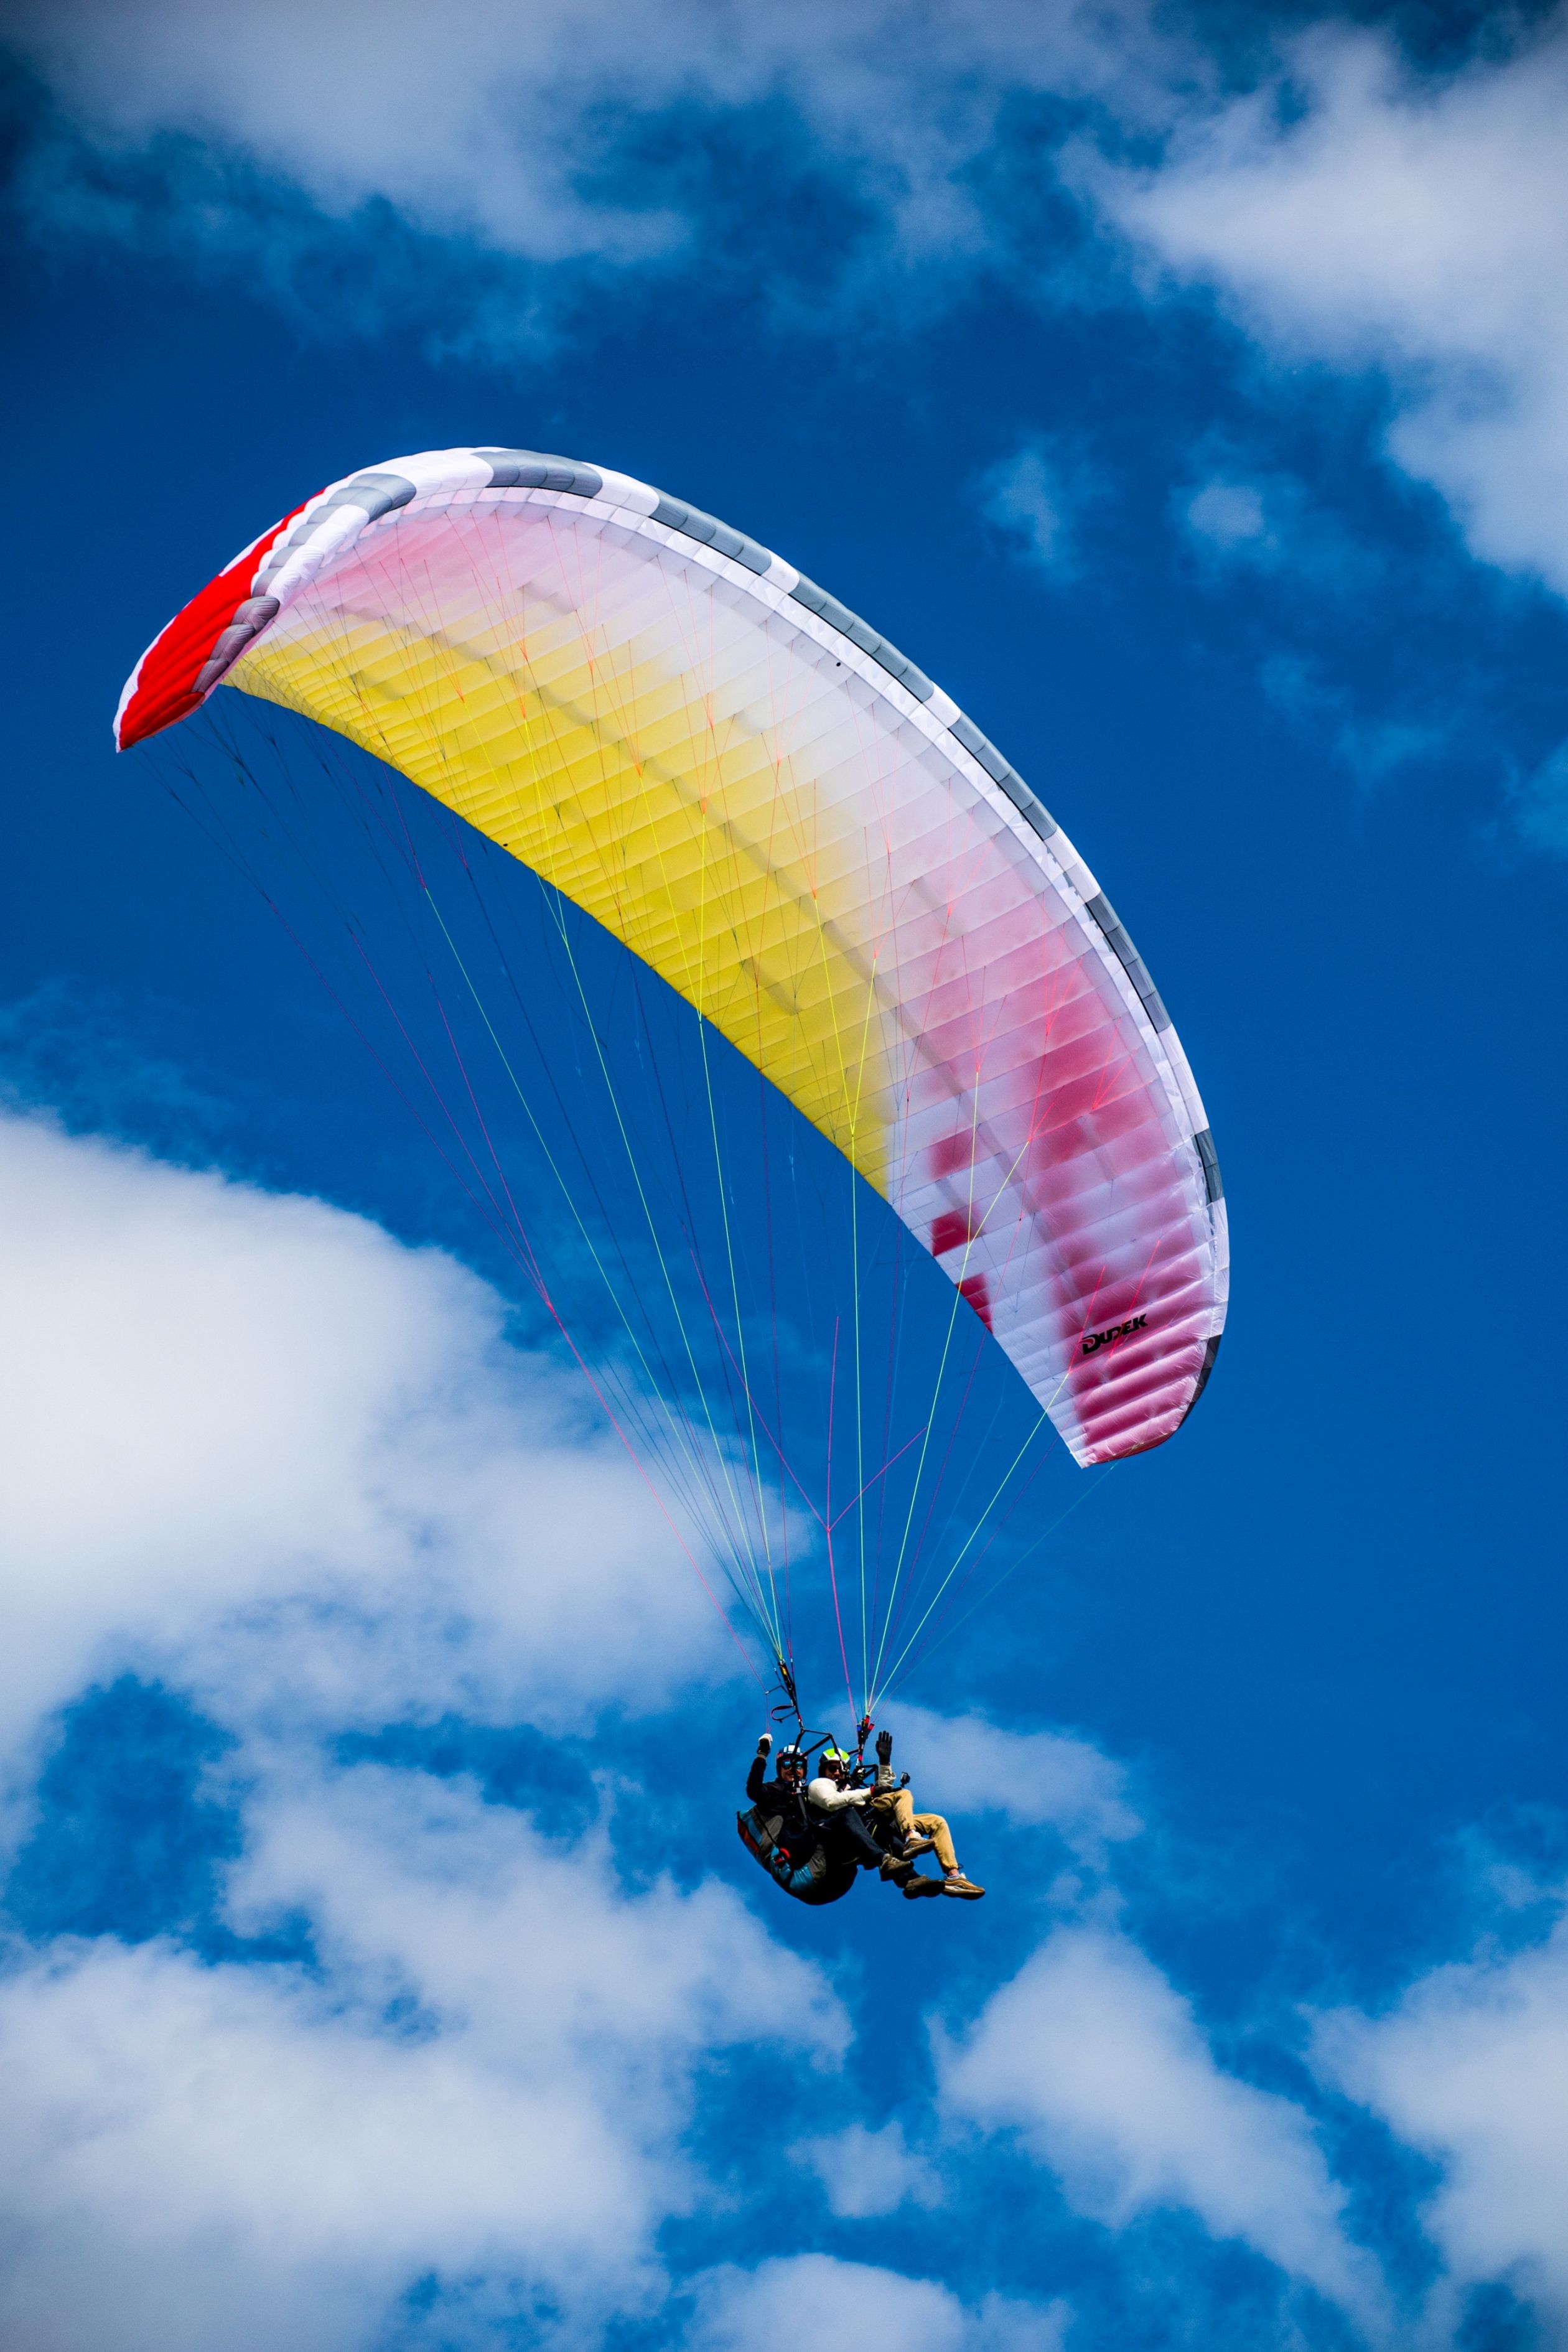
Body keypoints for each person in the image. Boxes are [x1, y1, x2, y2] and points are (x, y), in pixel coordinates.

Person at [738, 1734, 857, 1906]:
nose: (793, 1769)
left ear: (805, 1770)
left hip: (835, 1878)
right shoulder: (776, 1791)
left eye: (799, 1765)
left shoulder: (811, 1792)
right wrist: (762, 1754)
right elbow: (754, 1790)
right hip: (801, 1868)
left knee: (848, 1815)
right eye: (787, 1764)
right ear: (780, 1769)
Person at [866, 1727, 984, 1898]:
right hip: (871, 1816)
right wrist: (866, 1793)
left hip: (886, 1815)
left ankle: (954, 1877)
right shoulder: (828, 1788)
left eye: (841, 1768)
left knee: (937, 1822)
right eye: (833, 1768)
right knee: (904, 1795)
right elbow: (833, 1802)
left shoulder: (851, 1781)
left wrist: (884, 1761)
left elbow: (884, 1791)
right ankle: (910, 1836)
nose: (838, 1772)